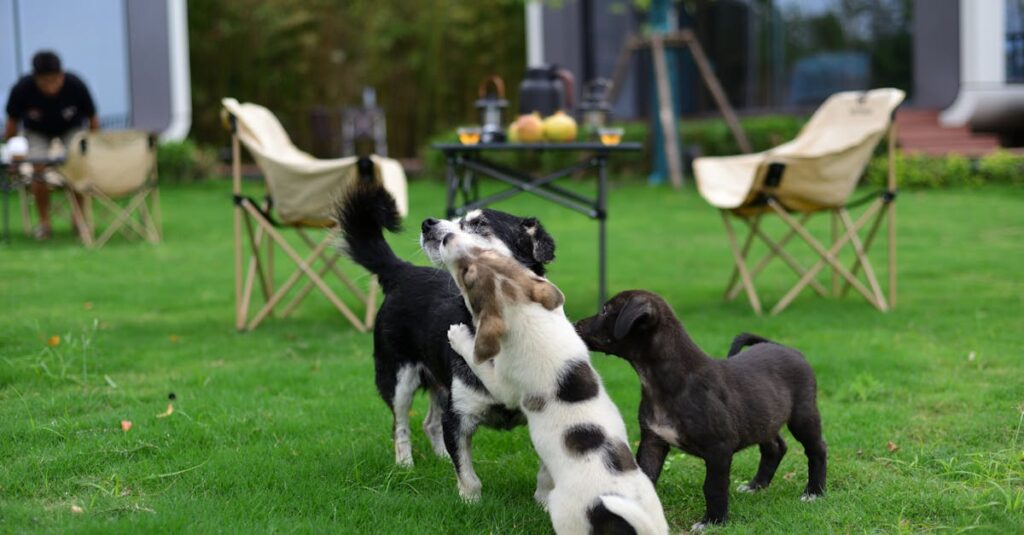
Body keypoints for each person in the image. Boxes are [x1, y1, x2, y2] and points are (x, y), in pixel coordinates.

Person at [4, 50, 98, 239]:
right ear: (36, 78)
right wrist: (10, 153)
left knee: (76, 163)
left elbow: (93, 119)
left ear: (61, 75)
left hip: (70, 128)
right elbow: (12, 124)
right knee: (38, 165)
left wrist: (95, 147)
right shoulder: (22, 89)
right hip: (37, 131)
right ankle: (44, 223)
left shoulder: (75, 85)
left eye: (55, 80)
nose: (51, 87)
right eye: (45, 82)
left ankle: (79, 218)